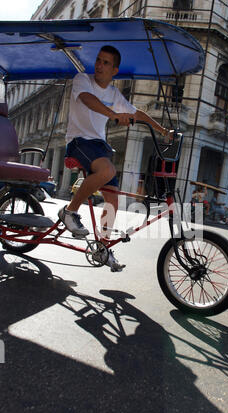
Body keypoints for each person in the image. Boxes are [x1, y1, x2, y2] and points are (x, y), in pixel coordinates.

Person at [58, 45, 173, 272]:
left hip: (99, 146)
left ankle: (102, 247)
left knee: (113, 201)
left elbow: (136, 113)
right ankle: (69, 211)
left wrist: (162, 131)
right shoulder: (83, 80)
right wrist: (113, 115)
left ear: (115, 70)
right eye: (98, 60)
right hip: (79, 142)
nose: (99, 65)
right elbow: (87, 99)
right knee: (108, 170)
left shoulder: (113, 94)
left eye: (106, 63)